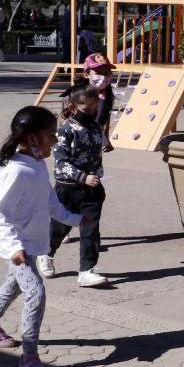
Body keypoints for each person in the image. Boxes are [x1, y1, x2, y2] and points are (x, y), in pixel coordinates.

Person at [0, 106, 84, 367]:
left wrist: (76, 219)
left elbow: (50, 202)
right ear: (32, 138)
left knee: (13, 285)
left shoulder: (35, 165)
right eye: (50, 135)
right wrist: (13, 248)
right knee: (35, 291)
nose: (55, 141)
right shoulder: (16, 171)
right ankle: (29, 356)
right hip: (19, 246)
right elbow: (1, 216)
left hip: (32, 243)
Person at [38, 85, 109, 287]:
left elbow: (97, 144)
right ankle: (46, 253)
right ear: (73, 106)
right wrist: (82, 177)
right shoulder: (65, 131)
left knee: (91, 230)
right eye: (88, 109)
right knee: (60, 227)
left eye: (96, 108)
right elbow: (60, 163)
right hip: (68, 189)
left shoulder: (95, 126)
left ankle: (87, 271)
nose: (93, 112)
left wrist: (105, 142)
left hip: (93, 189)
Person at [59, 53, 116, 153]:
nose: (104, 76)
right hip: (74, 143)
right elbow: (62, 117)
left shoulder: (106, 95)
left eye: (107, 72)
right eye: (99, 72)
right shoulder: (79, 94)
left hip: (93, 145)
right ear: (86, 74)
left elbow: (106, 116)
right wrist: (78, 133)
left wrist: (105, 138)